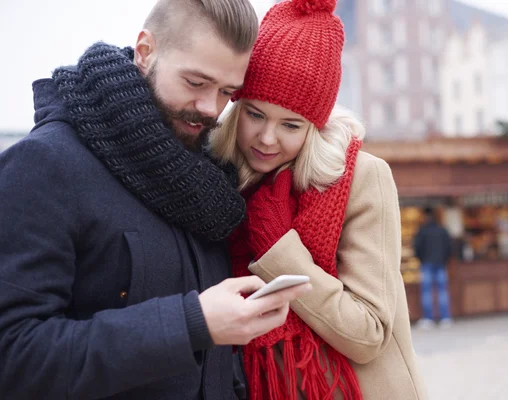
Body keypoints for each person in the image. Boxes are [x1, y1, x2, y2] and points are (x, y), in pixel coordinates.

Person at [0, 1, 312, 399]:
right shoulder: (44, 165)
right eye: (196, 83)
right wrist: (191, 324)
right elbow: (13, 356)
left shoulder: (209, 178)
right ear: (145, 52)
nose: (210, 108)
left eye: (227, 92)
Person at [209, 0, 428, 398]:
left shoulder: (360, 178)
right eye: (255, 114)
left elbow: (368, 333)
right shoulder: (215, 181)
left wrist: (279, 253)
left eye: (290, 124)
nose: (267, 138)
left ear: (315, 125)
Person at [413, 207, 453, 329]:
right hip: (441, 264)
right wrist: (444, 259)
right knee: (442, 292)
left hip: (426, 264)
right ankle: (445, 318)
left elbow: (417, 248)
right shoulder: (442, 230)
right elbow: (449, 247)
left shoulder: (422, 231)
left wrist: (422, 259)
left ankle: (428, 319)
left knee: (426, 293)